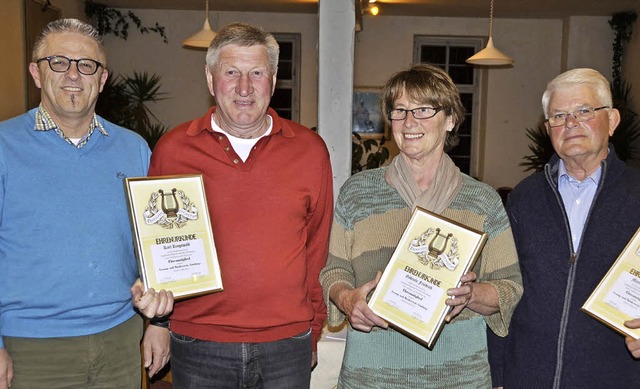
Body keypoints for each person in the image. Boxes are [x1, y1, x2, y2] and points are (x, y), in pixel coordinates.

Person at [144, 22, 333, 388]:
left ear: (273, 80)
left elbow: (317, 247)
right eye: (231, 73)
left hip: (286, 344)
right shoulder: (174, 150)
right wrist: (158, 323)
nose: (244, 88)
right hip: (198, 342)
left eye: (256, 73)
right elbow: (157, 247)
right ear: (211, 80)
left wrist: (313, 327)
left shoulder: (310, 151)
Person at [319, 63, 523, 388]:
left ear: (451, 119)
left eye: (423, 110)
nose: (410, 122)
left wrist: (470, 294)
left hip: (458, 377)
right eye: (399, 110)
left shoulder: (481, 200)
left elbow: (509, 287)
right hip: (372, 376)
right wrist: (347, 299)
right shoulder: (358, 192)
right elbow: (333, 271)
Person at [0, 18, 172, 389]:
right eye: (58, 62)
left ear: (103, 78)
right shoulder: (3, 146)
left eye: (87, 65)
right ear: (36, 72)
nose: (73, 74)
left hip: (120, 340)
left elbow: (154, 246)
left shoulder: (134, 149)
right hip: (30, 349)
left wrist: (158, 324)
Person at [488, 68, 640, 388]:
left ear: (612, 121)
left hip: (615, 377)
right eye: (559, 116)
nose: (570, 123)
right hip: (527, 376)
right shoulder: (524, 199)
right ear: (548, 129)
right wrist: (498, 374)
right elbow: (504, 287)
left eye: (584, 111)